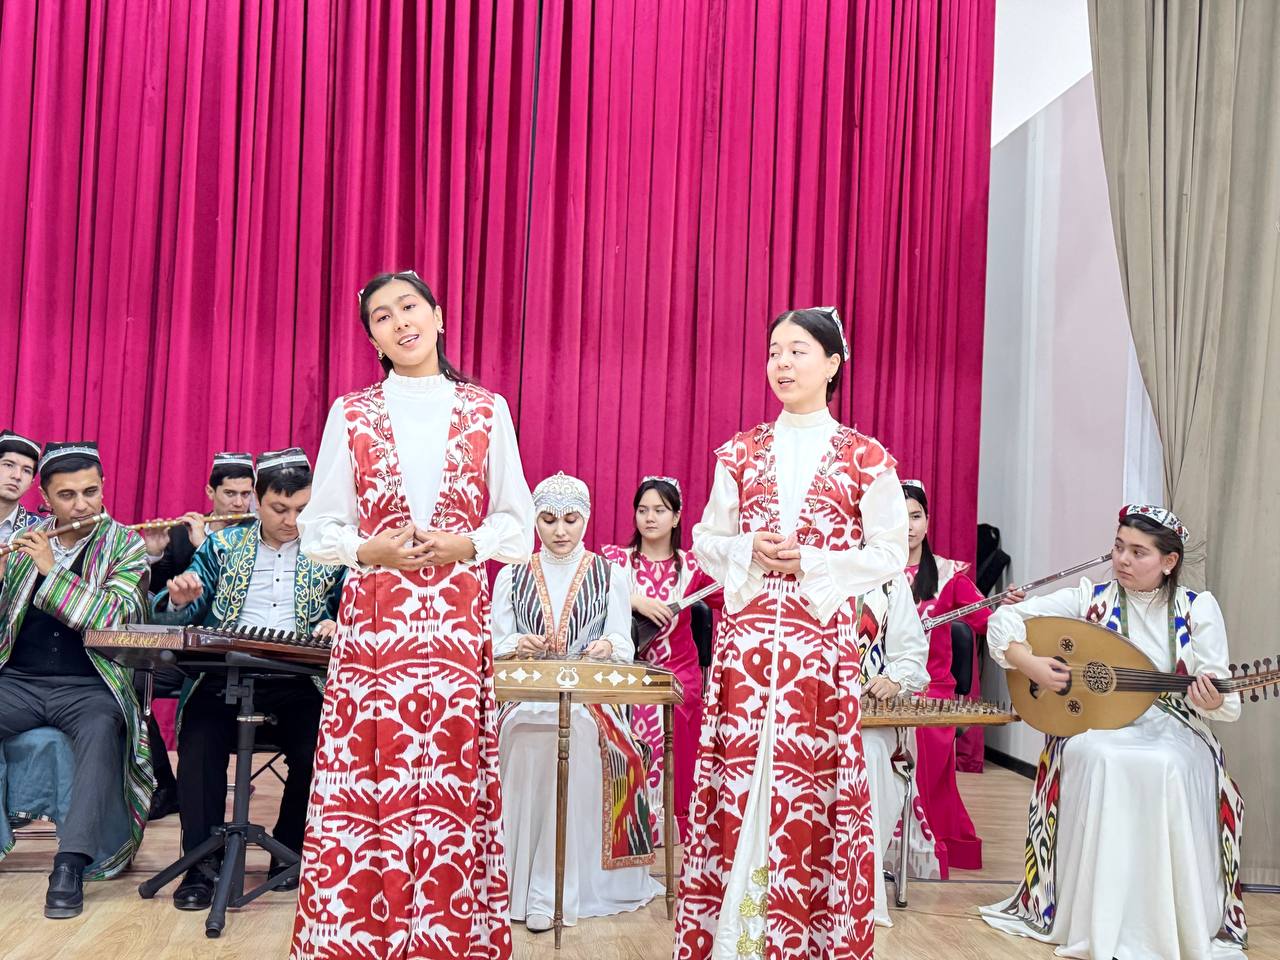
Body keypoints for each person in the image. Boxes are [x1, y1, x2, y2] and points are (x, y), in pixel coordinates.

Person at [290, 270, 534, 960]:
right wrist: (364, 550)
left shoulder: (486, 409)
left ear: (438, 316)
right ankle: (363, 939)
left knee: (450, 775)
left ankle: (448, 939)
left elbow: (517, 526)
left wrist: (469, 544)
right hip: (375, 626)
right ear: (372, 339)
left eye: (409, 307)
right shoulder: (352, 413)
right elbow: (317, 528)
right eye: (381, 316)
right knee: (373, 773)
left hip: (455, 624)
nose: (399, 322)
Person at [674, 307, 908, 958]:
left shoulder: (867, 458)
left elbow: (891, 551)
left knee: (810, 784)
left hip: (819, 648)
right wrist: (747, 548)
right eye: (774, 350)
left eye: (798, 350)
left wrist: (816, 562)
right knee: (741, 776)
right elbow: (705, 539)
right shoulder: (740, 452)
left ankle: (805, 936)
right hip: (748, 646)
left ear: (833, 364)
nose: (782, 362)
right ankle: (734, 939)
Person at [980, 504, 1245, 959]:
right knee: (1098, 754)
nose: (1122, 559)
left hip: (1175, 725)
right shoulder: (1090, 598)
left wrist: (1212, 699)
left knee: (1166, 763)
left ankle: (1163, 922)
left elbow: (1225, 701)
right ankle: (1093, 920)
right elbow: (1004, 620)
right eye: (1119, 546)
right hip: (1097, 722)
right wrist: (1031, 664)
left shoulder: (1197, 608)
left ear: (1169, 561)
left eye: (1138, 552)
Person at [152, 448, 343, 910]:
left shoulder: (331, 552)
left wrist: (338, 621)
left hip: (299, 681)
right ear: (257, 499)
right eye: (280, 508)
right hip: (225, 676)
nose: (292, 520)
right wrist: (179, 600)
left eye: (302, 509)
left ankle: (288, 852)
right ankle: (201, 865)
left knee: (321, 745)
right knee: (199, 742)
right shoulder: (223, 546)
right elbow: (176, 611)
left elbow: (353, 608)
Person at [494, 472, 662, 933]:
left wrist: (607, 646)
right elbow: (493, 641)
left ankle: (550, 889)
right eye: (548, 520)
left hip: (590, 704)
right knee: (523, 737)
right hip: (526, 699)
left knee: (576, 739)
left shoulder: (610, 574)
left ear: (586, 519)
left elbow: (623, 643)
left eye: (570, 520)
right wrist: (516, 643)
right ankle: (514, 884)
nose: (560, 531)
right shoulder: (512, 574)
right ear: (534, 520)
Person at [0, 442, 151, 918]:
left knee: (101, 731)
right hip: (19, 681)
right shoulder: (24, 542)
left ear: (104, 488)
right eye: (67, 495)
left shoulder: (126, 545)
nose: (82, 505)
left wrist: (50, 571)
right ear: (45, 498)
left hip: (90, 686)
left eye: (90, 492)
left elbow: (112, 617)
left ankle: (70, 862)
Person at [601, 475, 719, 844]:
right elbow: (589, 599)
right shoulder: (615, 562)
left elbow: (733, 597)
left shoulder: (693, 567)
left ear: (677, 516)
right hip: (626, 674)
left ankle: (670, 826)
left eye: (659, 510)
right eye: (642, 510)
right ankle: (624, 824)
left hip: (678, 676)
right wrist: (632, 599)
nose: (650, 517)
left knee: (676, 719)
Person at [855, 572, 936, 926]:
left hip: (871, 720)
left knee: (868, 751)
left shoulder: (887, 578)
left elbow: (911, 654)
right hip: (804, 713)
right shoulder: (800, 564)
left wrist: (894, 679)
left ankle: (858, 892)